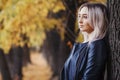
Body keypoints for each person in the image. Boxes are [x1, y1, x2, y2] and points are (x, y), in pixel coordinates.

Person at [60, 2, 109, 80]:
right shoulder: (83, 45)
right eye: (79, 16)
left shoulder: (96, 45)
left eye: (85, 17)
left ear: (97, 19)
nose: (80, 21)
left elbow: (90, 77)